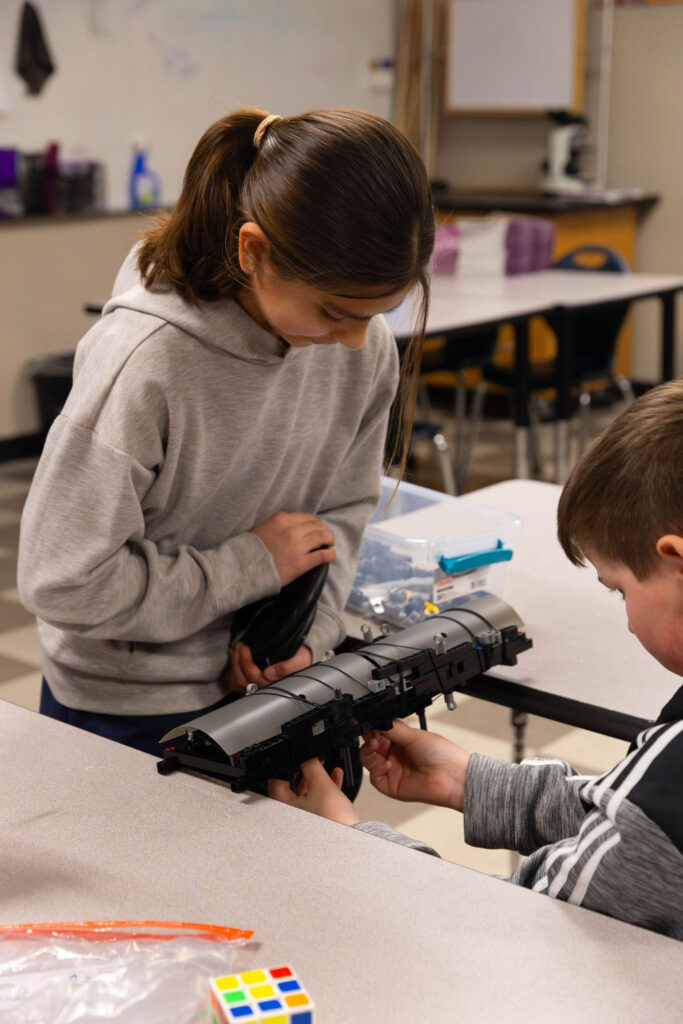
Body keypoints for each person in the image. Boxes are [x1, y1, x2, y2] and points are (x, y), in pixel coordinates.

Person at [17, 107, 434, 756]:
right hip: (131, 704)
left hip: (266, 682)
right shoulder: (147, 361)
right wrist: (252, 566)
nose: (357, 340)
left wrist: (306, 635)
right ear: (252, 251)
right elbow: (64, 581)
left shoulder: (364, 346)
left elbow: (344, 509)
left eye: (377, 312)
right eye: (334, 312)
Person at [269, 380, 683, 939]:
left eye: (620, 590)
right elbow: (622, 823)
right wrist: (468, 782)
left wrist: (348, 837)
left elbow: (513, 936)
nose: (629, 619)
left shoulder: (669, 795)